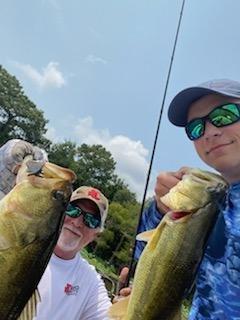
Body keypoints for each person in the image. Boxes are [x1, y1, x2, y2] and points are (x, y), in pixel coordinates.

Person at [132, 79, 240, 319]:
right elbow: (145, 257)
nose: (210, 132)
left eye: (224, 115)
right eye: (196, 128)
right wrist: (159, 209)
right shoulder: (213, 201)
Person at [0, 140, 111, 319]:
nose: (77, 222)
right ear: (61, 214)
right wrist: (10, 155)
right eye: (73, 209)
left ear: (96, 235)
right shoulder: (11, 225)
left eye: (91, 220)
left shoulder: (91, 283)